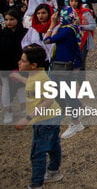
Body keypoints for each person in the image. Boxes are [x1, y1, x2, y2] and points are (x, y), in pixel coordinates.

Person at [13, 45, 64, 188]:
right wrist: (18, 77)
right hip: (51, 117)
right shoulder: (35, 75)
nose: (19, 62)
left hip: (45, 119)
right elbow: (34, 86)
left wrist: (27, 118)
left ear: (34, 65)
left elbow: (49, 100)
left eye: (23, 61)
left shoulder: (41, 78)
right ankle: (54, 171)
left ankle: (36, 184)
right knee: (53, 145)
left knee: (37, 152)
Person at [45, 6, 85, 139]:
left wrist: (51, 24)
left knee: (67, 94)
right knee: (66, 93)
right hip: (65, 65)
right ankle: (79, 111)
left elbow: (47, 40)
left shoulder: (67, 30)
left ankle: (76, 122)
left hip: (63, 67)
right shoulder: (73, 28)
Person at [1, 8, 27, 124]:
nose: (9, 22)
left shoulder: (25, 32)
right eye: (6, 20)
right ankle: (8, 111)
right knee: (6, 87)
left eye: (11, 19)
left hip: (21, 64)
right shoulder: (2, 34)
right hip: (5, 64)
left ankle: (23, 108)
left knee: (22, 86)